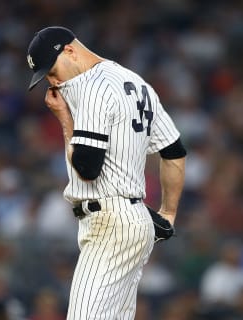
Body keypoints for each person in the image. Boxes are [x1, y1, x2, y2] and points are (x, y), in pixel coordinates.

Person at [26, 26, 187, 319]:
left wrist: (64, 118)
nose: (52, 81)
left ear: (70, 51)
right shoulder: (136, 82)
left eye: (52, 70)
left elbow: (88, 167)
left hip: (110, 223)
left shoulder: (90, 86)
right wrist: (168, 213)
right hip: (133, 221)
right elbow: (174, 151)